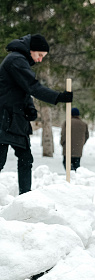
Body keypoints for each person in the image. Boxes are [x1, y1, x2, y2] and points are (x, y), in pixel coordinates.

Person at [0, 34, 73, 194]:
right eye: (39, 55)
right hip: (4, 118)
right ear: (31, 50)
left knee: (26, 159)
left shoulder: (20, 61)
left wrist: (29, 108)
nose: (40, 60)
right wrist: (58, 97)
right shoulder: (16, 60)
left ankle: (25, 197)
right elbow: (33, 86)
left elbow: (24, 91)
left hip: (16, 118)